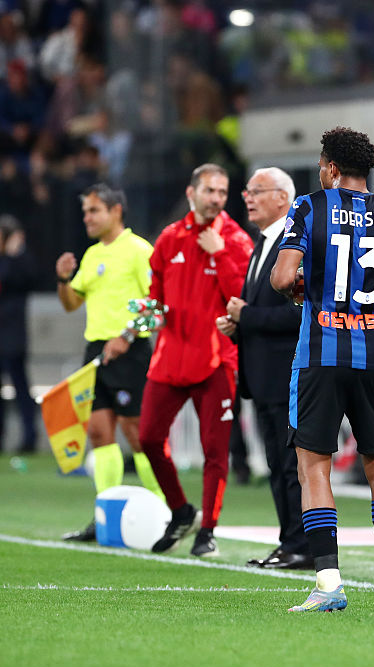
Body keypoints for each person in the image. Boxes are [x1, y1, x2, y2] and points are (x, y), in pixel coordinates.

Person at [270, 126, 374, 613]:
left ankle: (329, 583)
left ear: (332, 168)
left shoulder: (311, 206)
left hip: (321, 354)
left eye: (322, 164)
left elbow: (281, 277)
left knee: (313, 466)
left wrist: (298, 284)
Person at [140, 163, 253, 558]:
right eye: (210, 191)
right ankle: (181, 510)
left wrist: (219, 255)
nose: (217, 199)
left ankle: (208, 529)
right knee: (148, 438)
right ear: (192, 193)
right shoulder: (169, 238)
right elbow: (154, 293)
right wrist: (148, 317)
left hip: (216, 360)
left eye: (222, 193)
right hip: (169, 357)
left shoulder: (236, 241)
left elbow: (242, 300)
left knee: (214, 452)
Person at [54, 184, 166, 541]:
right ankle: (105, 514)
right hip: (96, 352)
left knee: (138, 435)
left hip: (130, 352)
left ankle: (168, 511)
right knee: (100, 433)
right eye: (86, 211)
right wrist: (62, 278)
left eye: (93, 211)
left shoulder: (138, 251)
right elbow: (72, 303)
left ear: (115, 210)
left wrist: (127, 337)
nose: (87, 218)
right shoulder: (91, 255)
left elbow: (156, 304)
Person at [215, 167, 310, 569]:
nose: (247, 197)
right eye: (248, 190)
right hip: (263, 374)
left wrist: (248, 316)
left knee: (291, 465)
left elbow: (299, 316)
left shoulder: (295, 245)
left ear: (282, 199)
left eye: (257, 191)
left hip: (286, 373)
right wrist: (239, 325)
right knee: (276, 464)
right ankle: (289, 542)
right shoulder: (264, 242)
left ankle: (302, 546)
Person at [0, 215, 36, 453]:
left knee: (20, 387)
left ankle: (29, 437)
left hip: (13, 335)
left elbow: (28, 279)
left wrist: (15, 254)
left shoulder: (20, 261)